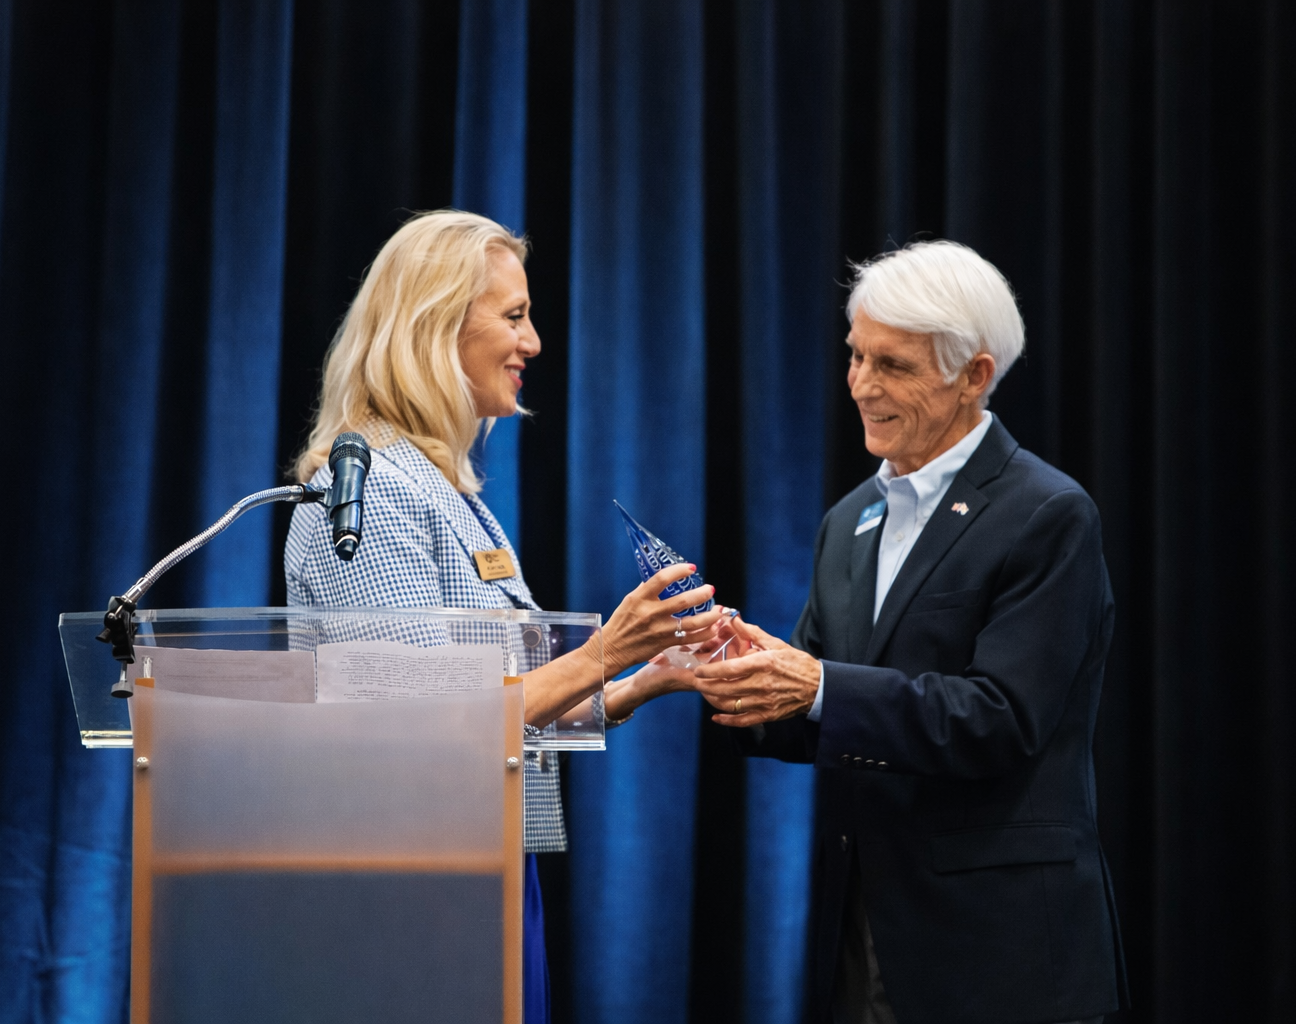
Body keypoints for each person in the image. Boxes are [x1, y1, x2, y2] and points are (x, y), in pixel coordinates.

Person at [284, 210, 720, 1024]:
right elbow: (418, 725)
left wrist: (642, 678)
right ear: (434, 324)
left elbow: (496, 711)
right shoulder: (374, 490)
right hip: (409, 886)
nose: (535, 343)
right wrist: (599, 655)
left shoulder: (444, 489)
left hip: (479, 863)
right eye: (514, 316)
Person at [694, 241, 1126, 1024]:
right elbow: (821, 711)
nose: (860, 385)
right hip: (865, 936)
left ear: (975, 376)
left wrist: (817, 685)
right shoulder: (849, 521)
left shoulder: (1047, 515)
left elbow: (1000, 719)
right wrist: (741, 679)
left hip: (1000, 953)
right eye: (855, 356)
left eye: (892, 366)